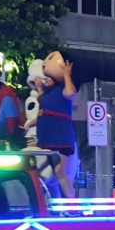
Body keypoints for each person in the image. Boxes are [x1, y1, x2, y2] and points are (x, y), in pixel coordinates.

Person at [33, 51, 79, 198]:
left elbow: (71, 92)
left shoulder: (62, 91)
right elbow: (44, 112)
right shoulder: (48, 95)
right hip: (47, 138)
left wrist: (66, 74)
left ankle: (73, 204)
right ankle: (55, 201)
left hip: (60, 138)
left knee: (60, 171)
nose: (47, 80)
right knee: (46, 172)